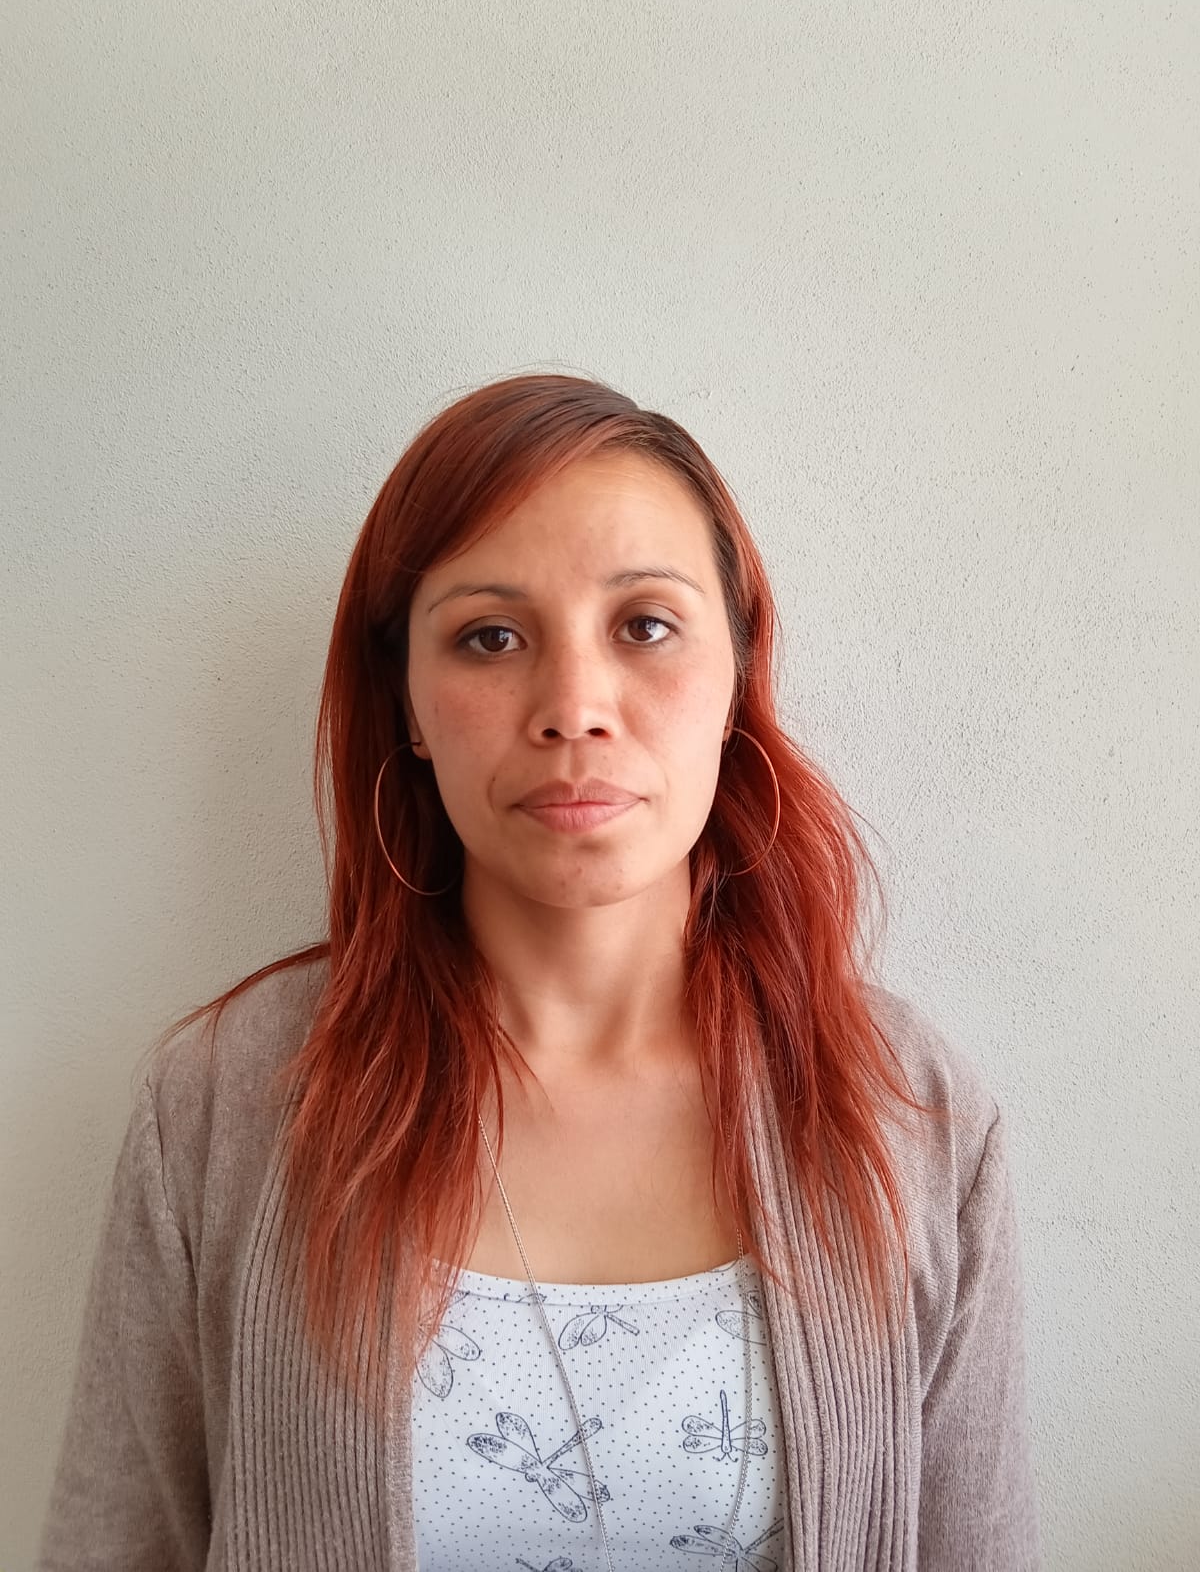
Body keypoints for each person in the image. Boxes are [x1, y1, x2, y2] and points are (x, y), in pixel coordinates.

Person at [38, 373, 1041, 1571]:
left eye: (646, 626)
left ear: (738, 676)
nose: (573, 708)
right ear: (408, 705)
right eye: (491, 637)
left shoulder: (911, 1117)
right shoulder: (225, 1102)